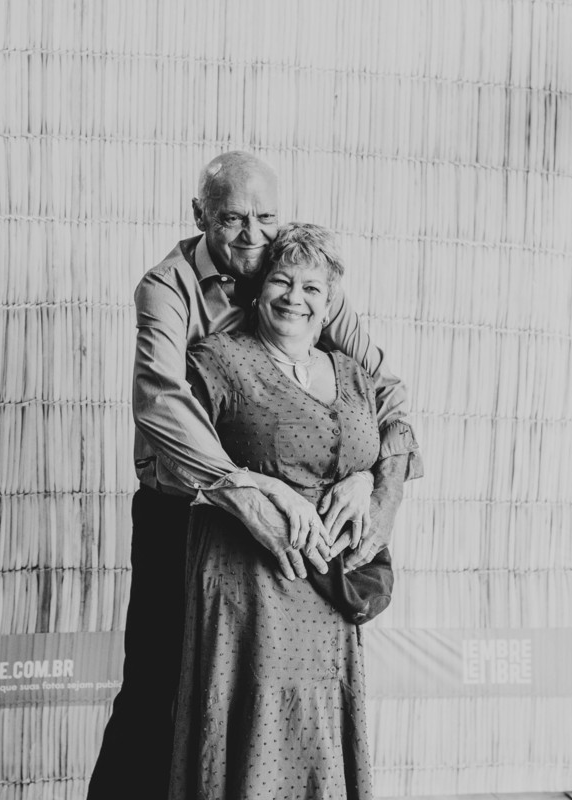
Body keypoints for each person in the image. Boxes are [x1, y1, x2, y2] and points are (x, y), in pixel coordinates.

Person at [88, 153, 421, 800]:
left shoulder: (299, 273)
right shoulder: (168, 287)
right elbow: (161, 399)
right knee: (158, 692)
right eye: (232, 219)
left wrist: (373, 483)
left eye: (266, 218)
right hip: (183, 508)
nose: (252, 236)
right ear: (200, 217)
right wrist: (242, 485)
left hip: (300, 528)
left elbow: (384, 395)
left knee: (283, 708)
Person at [169, 222, 398, 799]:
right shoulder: (217, 361)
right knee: (249, 728)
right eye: (282, 281)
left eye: (312, 288)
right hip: (249, 580)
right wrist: (261, 487)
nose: (295, 297)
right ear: (259, 288)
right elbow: (170, 462)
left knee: (317, 728)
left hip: (330, 591)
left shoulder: (352, 372)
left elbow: (388, 442)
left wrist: (367, 477)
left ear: (329, 304)